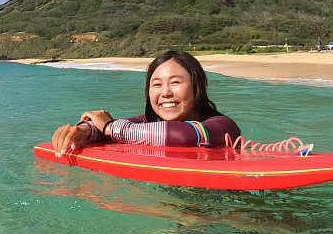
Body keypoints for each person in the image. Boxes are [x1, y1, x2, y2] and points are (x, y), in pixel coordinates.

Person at [51, 50, 241, 155]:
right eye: (156, 84)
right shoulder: (149, 123)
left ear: (197, 87)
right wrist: (84, 131)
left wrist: (109, 126)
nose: (165, 92)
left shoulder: (223, 126)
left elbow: (183, 135)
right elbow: (117, 128)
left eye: (175, 82)